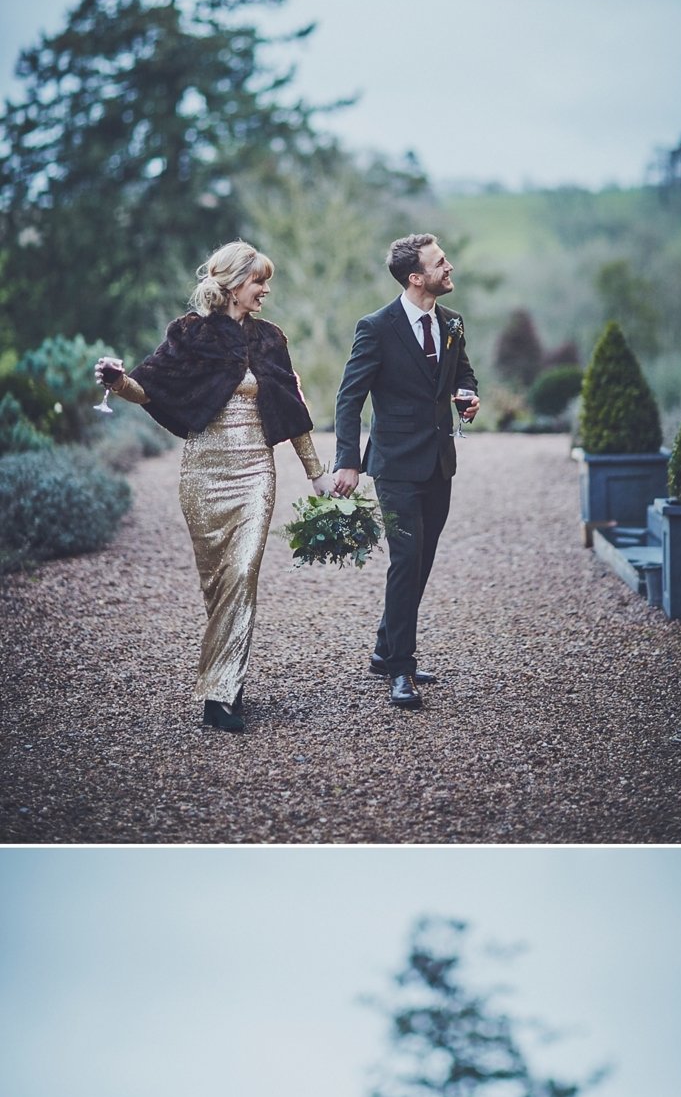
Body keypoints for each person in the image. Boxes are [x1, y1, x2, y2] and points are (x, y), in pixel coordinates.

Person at [95, 242, 333, 733]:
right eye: (258, 281)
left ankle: (220, 694)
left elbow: (294, 409)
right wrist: (118, 382)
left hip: (254, 473)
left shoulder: (270, 339)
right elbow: (148, 387)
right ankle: (227, 670)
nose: (266, 290)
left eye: (266, 281)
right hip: (204, 471)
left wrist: (317, 473)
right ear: (232, 284)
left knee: (243, 571)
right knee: (217, 582)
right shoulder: (189, 334)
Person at [333, 230, 479, 707]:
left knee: (423, 561)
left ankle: (383, 650)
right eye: (440, 263)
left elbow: (463, 373)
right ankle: (401, 668)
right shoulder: (376, 327)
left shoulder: (453, 322)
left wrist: (468, 396)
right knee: (405, 561)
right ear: (417, 278)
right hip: (394, 465)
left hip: (440, 463)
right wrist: (348, 463)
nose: (449, 267)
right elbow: (349, 398)